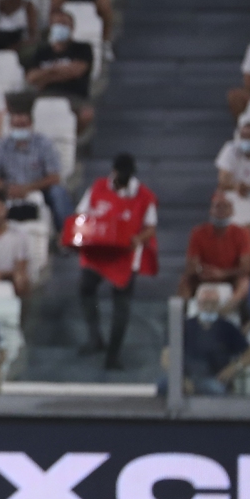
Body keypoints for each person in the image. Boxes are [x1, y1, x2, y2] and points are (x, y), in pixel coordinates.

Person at [74, 154, 158, 370]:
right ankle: (95, 337)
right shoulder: (98, 187)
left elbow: (150, 227)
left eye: (125, 176)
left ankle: (113, 354)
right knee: (86, 289)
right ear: (112, 171)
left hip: (126, 256)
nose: (120, 179)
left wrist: (138, 239)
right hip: (99, 253)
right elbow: (81, 215)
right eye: (118, 174)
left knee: (121, 305)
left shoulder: (144, 196)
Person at [0, 104, 69, 230]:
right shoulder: (2, 145)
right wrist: (7, 187)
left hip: (38, 188)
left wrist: (27, 188)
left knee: (58, 193)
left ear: (31, 125)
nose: (19, 129)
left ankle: (64, 233)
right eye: (16, 126)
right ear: (10, 127)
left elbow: (54, 177)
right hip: (8, 189)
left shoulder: (44, 144)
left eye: (23, 125)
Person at [159, 285, 250, 397]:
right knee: (163, 385)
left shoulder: (228, 328)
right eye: (205, 302)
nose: (208, 306)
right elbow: (166, 357)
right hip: (184, 376)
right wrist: (180, 379)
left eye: (212, 302)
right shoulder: (183, 326)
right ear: (198, 303)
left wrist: (233, 368)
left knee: (214, 389)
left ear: (218, 304)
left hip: (214, 379)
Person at [26, 10, 95, 130]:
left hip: (74, 96)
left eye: (65, 24)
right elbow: (31, 77)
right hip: (45, 96)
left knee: (86, 114)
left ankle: (72, 141)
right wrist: (60, 70)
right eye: (58, 23)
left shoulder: (83, 48)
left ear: (72, 28)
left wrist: (46, 76)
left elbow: (76, 71)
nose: (61, 27)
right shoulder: (42, 52)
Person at [179, 192, 250, 299]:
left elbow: (246, 267)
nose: (221, 210)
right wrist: (203, 271)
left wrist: (223, 274)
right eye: (217, 206)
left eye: (226, 206)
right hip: (204, 276)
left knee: (244, 281)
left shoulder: (242, 233)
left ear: (232, 211)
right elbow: (192, 265)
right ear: (211, 210)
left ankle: (229, 309)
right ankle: (185, 312)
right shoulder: (198, 232)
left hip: (230, 277)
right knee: (185, 280)